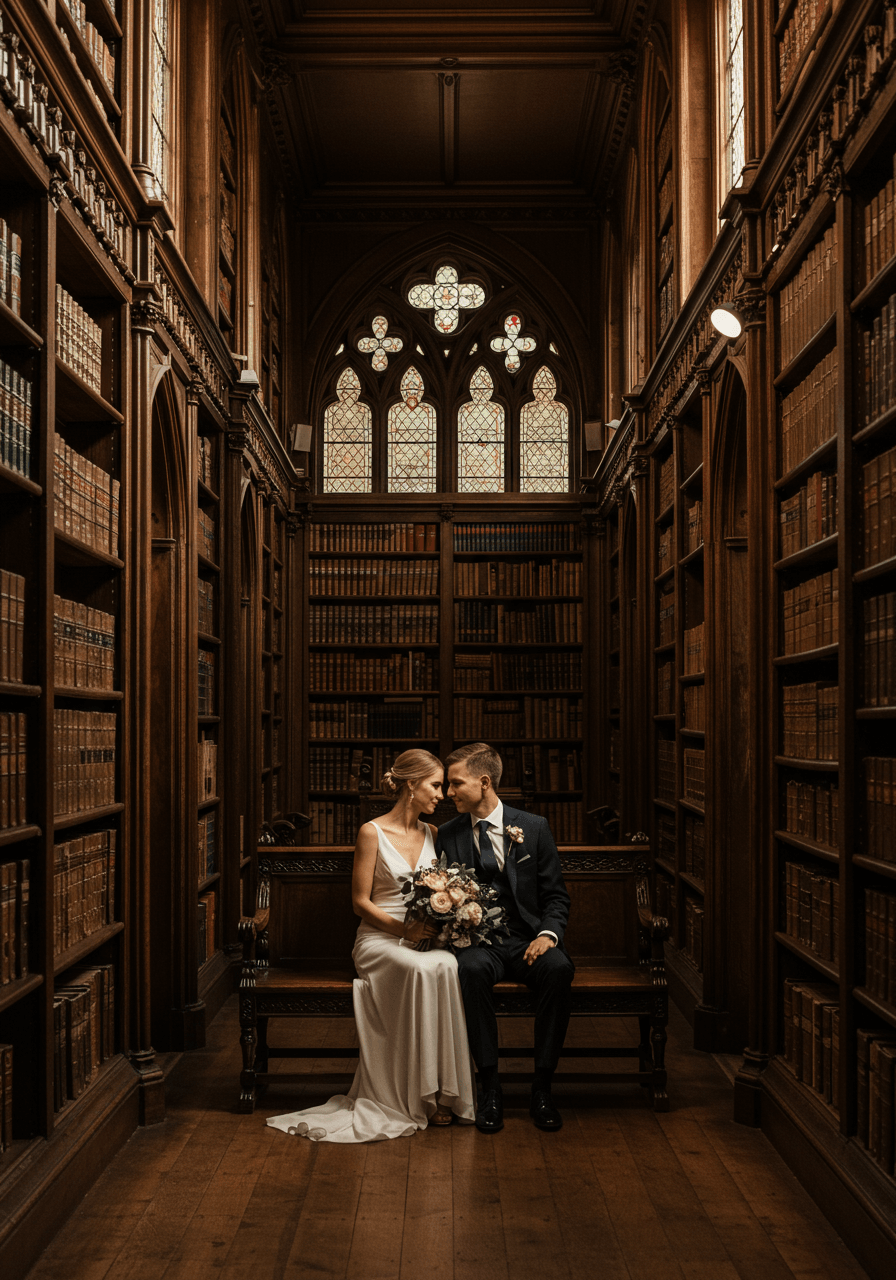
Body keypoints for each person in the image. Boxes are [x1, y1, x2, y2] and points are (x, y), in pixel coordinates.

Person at [266, 749, 476, 1143]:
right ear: (411, 785)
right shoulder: (371, 831)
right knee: (418, 967)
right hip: (379, 940)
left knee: (446, 964)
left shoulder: (433, 834)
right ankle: (410, 1093)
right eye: (434, 785)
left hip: (421, 939)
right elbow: (359, 902)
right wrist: (404, 930)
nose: (442, 794)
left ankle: (443, 1093)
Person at [437, 742, 574, 1134]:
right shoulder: (448, 834)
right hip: (480, 943)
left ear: (484, 782)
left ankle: (542, 1088)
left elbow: (555, 896)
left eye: (455, 783)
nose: (449, 793)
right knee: (471, 971)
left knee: (559, 970)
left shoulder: (533, 827)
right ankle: (490, 1086)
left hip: (527, 937)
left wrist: (548, 935)